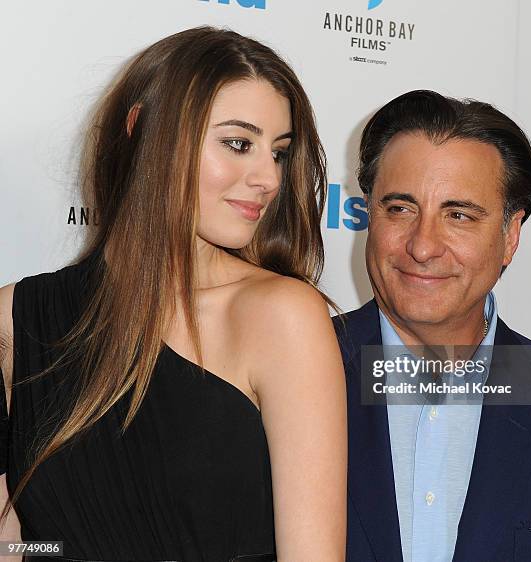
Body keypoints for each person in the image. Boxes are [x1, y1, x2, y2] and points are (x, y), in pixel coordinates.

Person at [0, 26, 347, 562]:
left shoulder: (280, 315)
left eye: (278, 153)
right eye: (238, 143)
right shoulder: (16, 320)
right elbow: (17, 543)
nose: (268, 178)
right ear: (143, 128)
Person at [334, 89, 531, 561]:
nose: (423, 246)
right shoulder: (288, 376)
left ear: (510, 236)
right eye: (399, 208)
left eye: (458, 215)